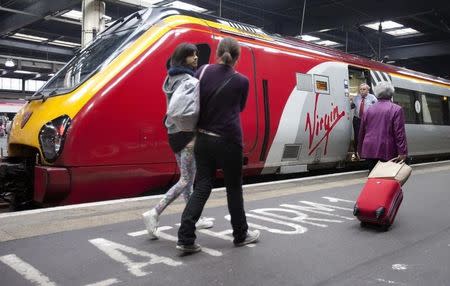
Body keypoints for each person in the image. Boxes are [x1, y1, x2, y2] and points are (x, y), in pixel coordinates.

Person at [177, 37, 260, 253]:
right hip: (229, 141)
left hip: (203, 138)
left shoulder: (202, 71)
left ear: (217, 53)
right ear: (237, 58)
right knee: (233, 189)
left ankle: (185, 237)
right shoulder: (242, 81)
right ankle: (240, 234)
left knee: (202, 185)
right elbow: (239, 108)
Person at [142, 43, 213, 239]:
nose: (196, 58)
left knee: (188, 180)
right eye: (192, 56)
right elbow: (194, 108)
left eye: (196, 55)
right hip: (188, 134)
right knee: (186, 180)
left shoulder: (169, 79)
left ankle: (195, 219)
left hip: (173, 133)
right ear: (183, 58)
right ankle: (154, 212)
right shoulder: (189, 80)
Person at [357, 82, 408, 172]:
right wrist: (402, 152)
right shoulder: (396, 109)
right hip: (388, 150)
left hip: (369, 149)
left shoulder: (369, 110)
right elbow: (399, 133)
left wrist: (360, 150)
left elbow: (362, 131)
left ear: (377, 94)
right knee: (387, 179)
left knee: (373, 178)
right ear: (391, 94)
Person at [351, 83, 377, 159]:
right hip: (357, 120)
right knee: (357, 137)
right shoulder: (356, 98)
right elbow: (352, 106)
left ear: (368, 90)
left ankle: (366, 153)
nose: (361, 91)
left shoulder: (373, 98)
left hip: (368, 121)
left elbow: (376, 108)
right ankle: (357, 153)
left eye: (364, 89)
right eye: (360, 89)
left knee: (366, 137)